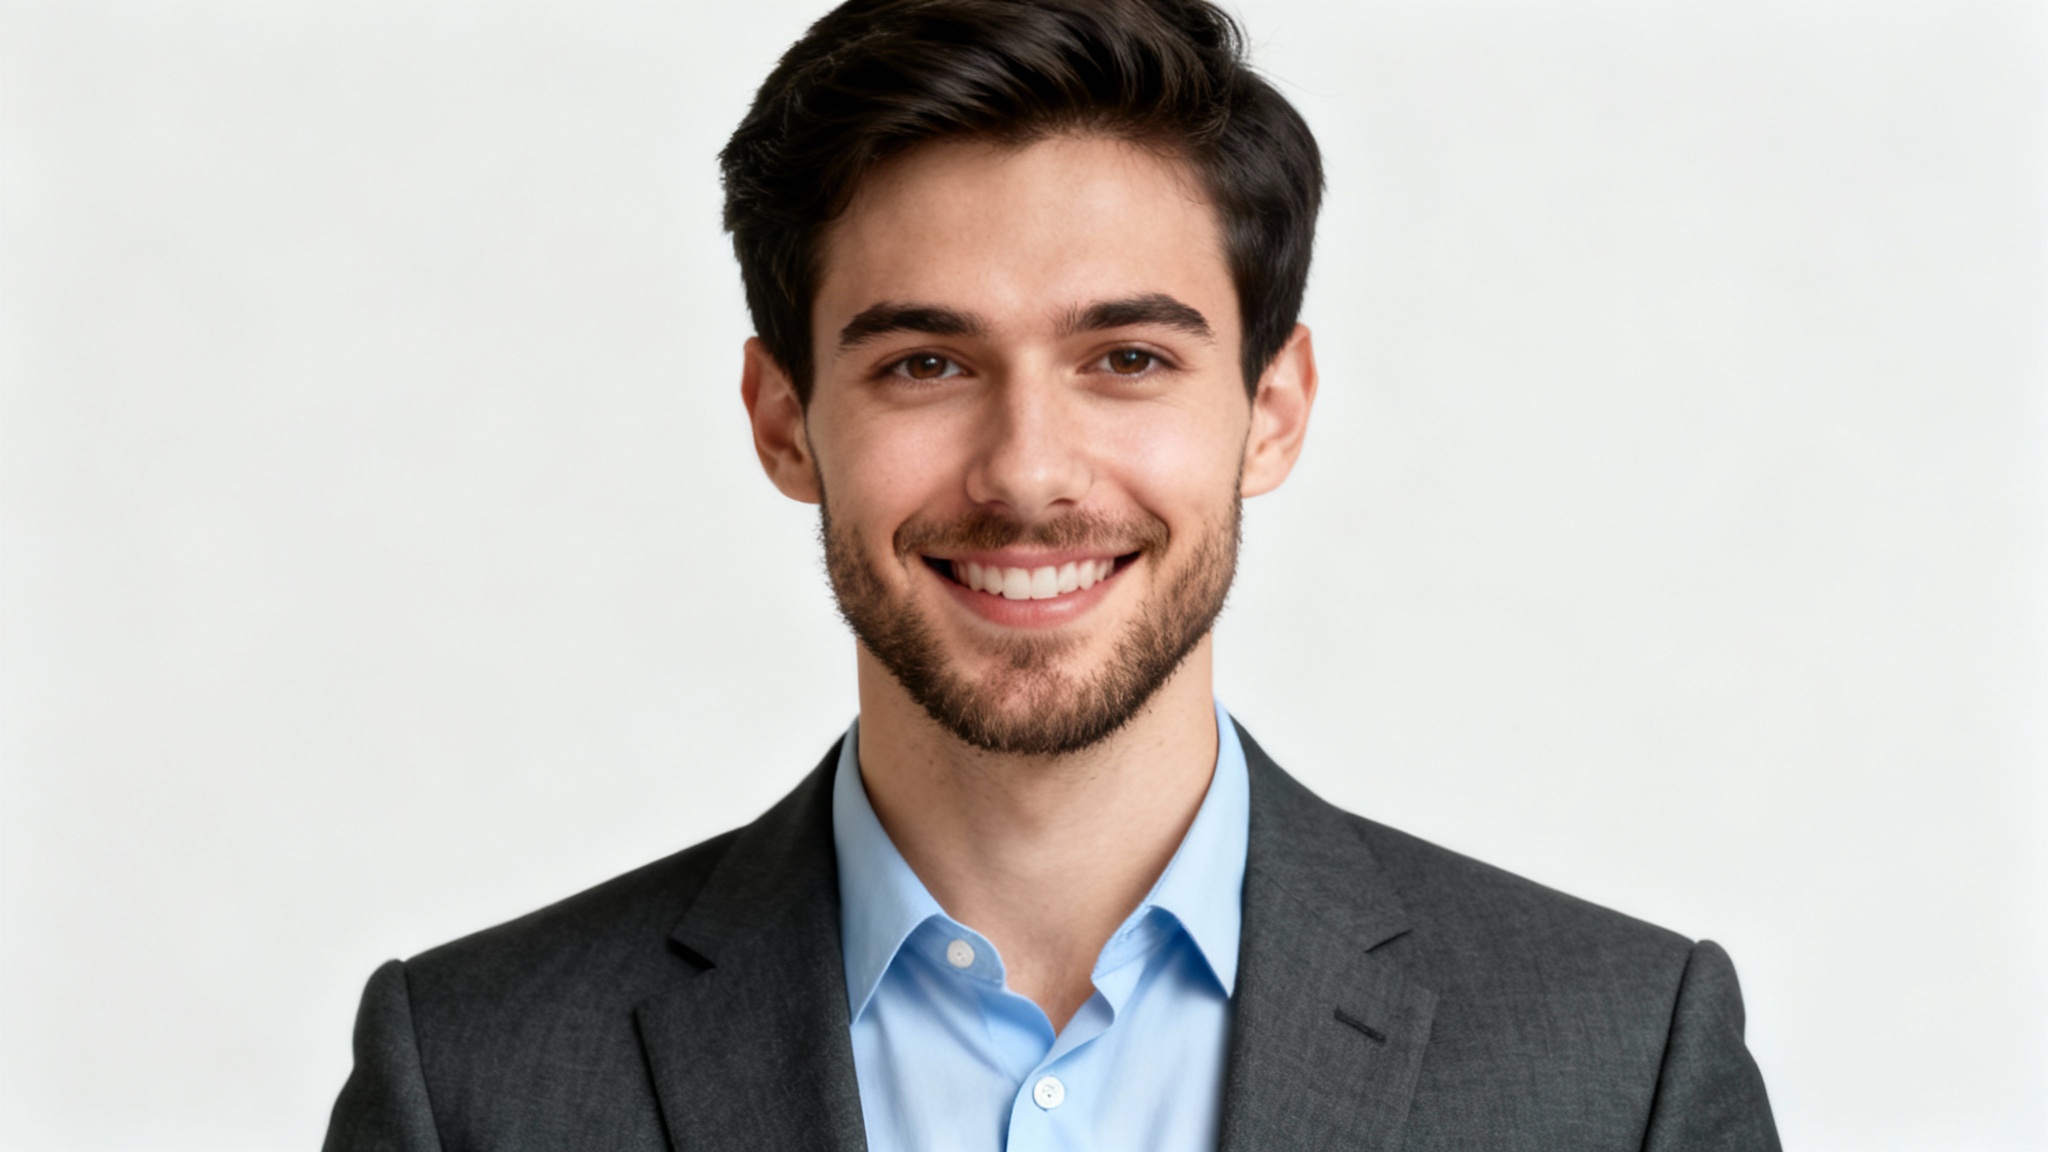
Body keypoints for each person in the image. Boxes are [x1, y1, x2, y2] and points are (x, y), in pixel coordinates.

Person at [323, 1, 1780, 1148]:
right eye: (926, 363)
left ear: (1272, 410)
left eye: (1128, 358)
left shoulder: (1619, 1066)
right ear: (785, 423)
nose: (1028, 471)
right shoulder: (475, 1080)